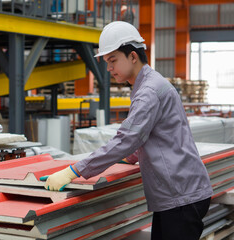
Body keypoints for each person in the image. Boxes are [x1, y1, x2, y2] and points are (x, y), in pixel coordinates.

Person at [40, 21, 213, 240]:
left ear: (132, 56)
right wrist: (129, 157)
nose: (109, 68)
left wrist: (74, 170)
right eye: (106, 61)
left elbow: (128, 138)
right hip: (178, 193)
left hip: (181, 196)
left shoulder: (148, 91)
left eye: (113, 60)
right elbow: (150, 135)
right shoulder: (148, 84)